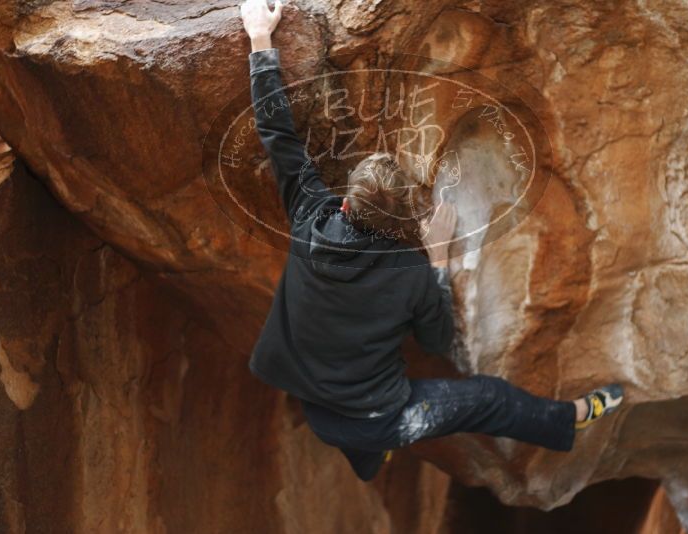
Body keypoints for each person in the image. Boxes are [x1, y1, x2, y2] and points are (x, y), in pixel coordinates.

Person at [238, 0, 624, 482]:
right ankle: (570, 418)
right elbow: (437, 341)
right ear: (400, 222)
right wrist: (438, 261)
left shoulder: (308, 215)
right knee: (490, 399)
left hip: (313, 403)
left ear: (344, 203)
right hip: (379, 419)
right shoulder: (413, 274)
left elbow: (276, 134)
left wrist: (259, 39)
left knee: (357, 444)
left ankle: (367, 464)